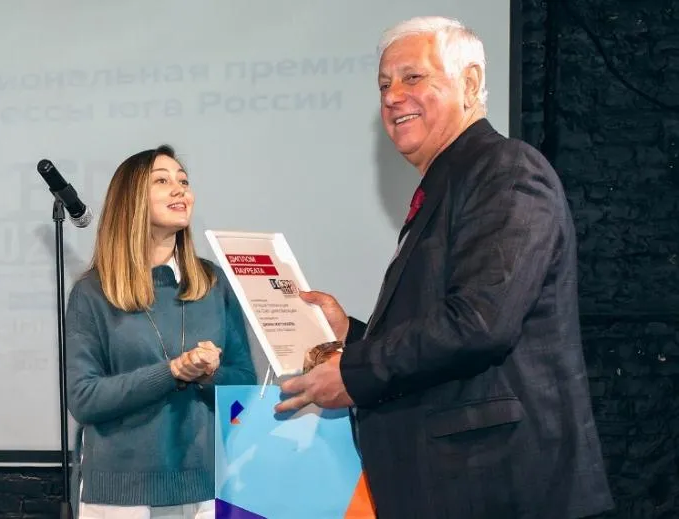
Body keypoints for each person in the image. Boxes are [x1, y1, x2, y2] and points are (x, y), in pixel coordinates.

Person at [275, 16, 614, 519]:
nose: (393, 97)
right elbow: (445, 325)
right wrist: (350, 334)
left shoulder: (506, 170)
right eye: (384, 85)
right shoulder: (452, 181)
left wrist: (354, 372)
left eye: (413, 77)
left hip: (498, 486)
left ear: (470, 84)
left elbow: (480, 323)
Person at [66, 145, 257, 518]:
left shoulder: (213, 282)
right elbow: (85, 398)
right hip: (121, 496)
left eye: (183, 181)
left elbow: (245, 383)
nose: (179, 189)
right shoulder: (92, 292)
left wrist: (208, 374)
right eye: (162, 181)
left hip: (206, 489)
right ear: (132, 199)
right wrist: (172, 372)